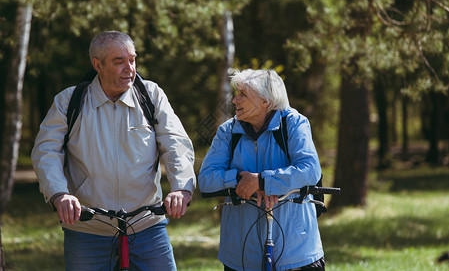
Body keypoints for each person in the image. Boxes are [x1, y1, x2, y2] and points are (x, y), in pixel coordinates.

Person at [31, 31, 196, 270]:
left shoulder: (151, 95)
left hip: (147, 226)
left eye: (132, 60)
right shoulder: (69, 101)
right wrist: (59, 194)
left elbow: (176, 144)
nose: (130, 68)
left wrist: (181, 188)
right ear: (97, 64)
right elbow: (46, 151)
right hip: (87, 227)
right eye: (119, 61)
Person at [199, 69, 325, 271]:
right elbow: (206, 179)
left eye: (243, 95)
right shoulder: (227, 131)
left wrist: (263, 181)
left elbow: (310, 169)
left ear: (266, 101)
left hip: (296, 252)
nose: (235, 101)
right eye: (236, 94)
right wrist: (241, 181)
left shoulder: (294, 123)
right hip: (241, 254)